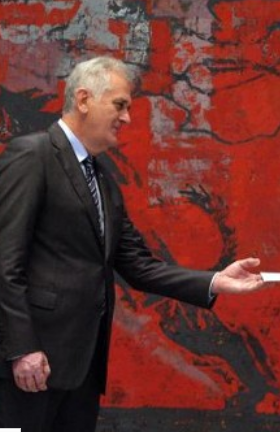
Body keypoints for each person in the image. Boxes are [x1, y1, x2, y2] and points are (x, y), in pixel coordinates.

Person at [0, 56, 266, 432]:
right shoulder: (34, 155)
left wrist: (215, 281)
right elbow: (4, 261)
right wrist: (21, 348)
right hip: (30, 367)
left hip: (81, 371)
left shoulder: (103, 180)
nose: (126, 118)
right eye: (120, 105)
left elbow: (138, 265)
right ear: (84, 99)